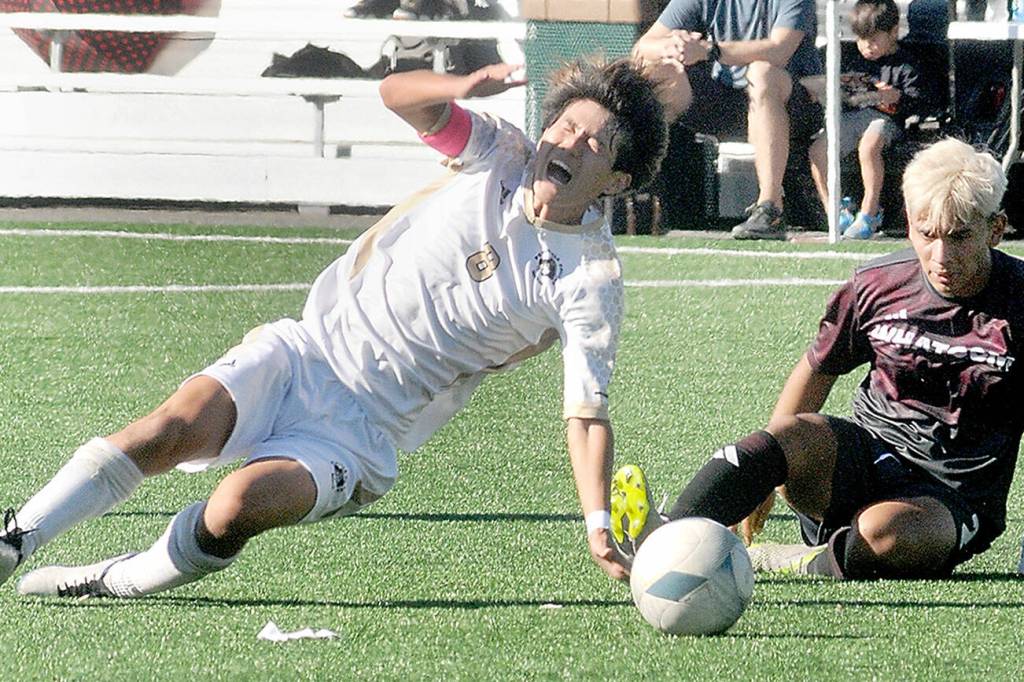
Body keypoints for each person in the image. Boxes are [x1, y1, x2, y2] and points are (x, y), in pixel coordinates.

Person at [0, 57, 669, 598]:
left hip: (365, 432)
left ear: (618, 178)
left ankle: (115, 580)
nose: (569, 143)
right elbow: (397, 95)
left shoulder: (589, 280)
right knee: (170, 428)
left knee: (236, 505)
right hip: (304, 352)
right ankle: (16, 537)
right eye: (565, 126)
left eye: (595, 142)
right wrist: (458, 87)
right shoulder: (499, 153)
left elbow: (585, 413)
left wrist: (596, 520)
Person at [613, 138, 1021, 579]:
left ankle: (793, 560)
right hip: (864, 458)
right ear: (909, 225)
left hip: (949, 498)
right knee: (790, 432)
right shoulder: (876, 284)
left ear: (994, 229)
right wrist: (763, 477)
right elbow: (817, 369)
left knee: (887, 534)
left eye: (960, 237)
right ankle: (665, 536)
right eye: (928, 234)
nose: (941, 256)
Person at [632, 0, 822, 241]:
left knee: (761, 73)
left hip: (792, 104)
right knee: (656, 70)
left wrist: (709, 50)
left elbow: (779, 50)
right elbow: (642, 47)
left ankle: (770, 207)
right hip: (728, 100)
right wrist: (673, 47)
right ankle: (643, 190)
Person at [806, 0, 925, 240]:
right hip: (850, 116)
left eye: (873, 39)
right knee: (818, 150)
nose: (866, 46)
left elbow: (918, 99)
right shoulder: (850, 56)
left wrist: (894, 96)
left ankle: (869, 213)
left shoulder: (905, 65)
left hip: (885, 119)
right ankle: (834, 210)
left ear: (893, 32)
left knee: (869, 147)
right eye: (861, 39)